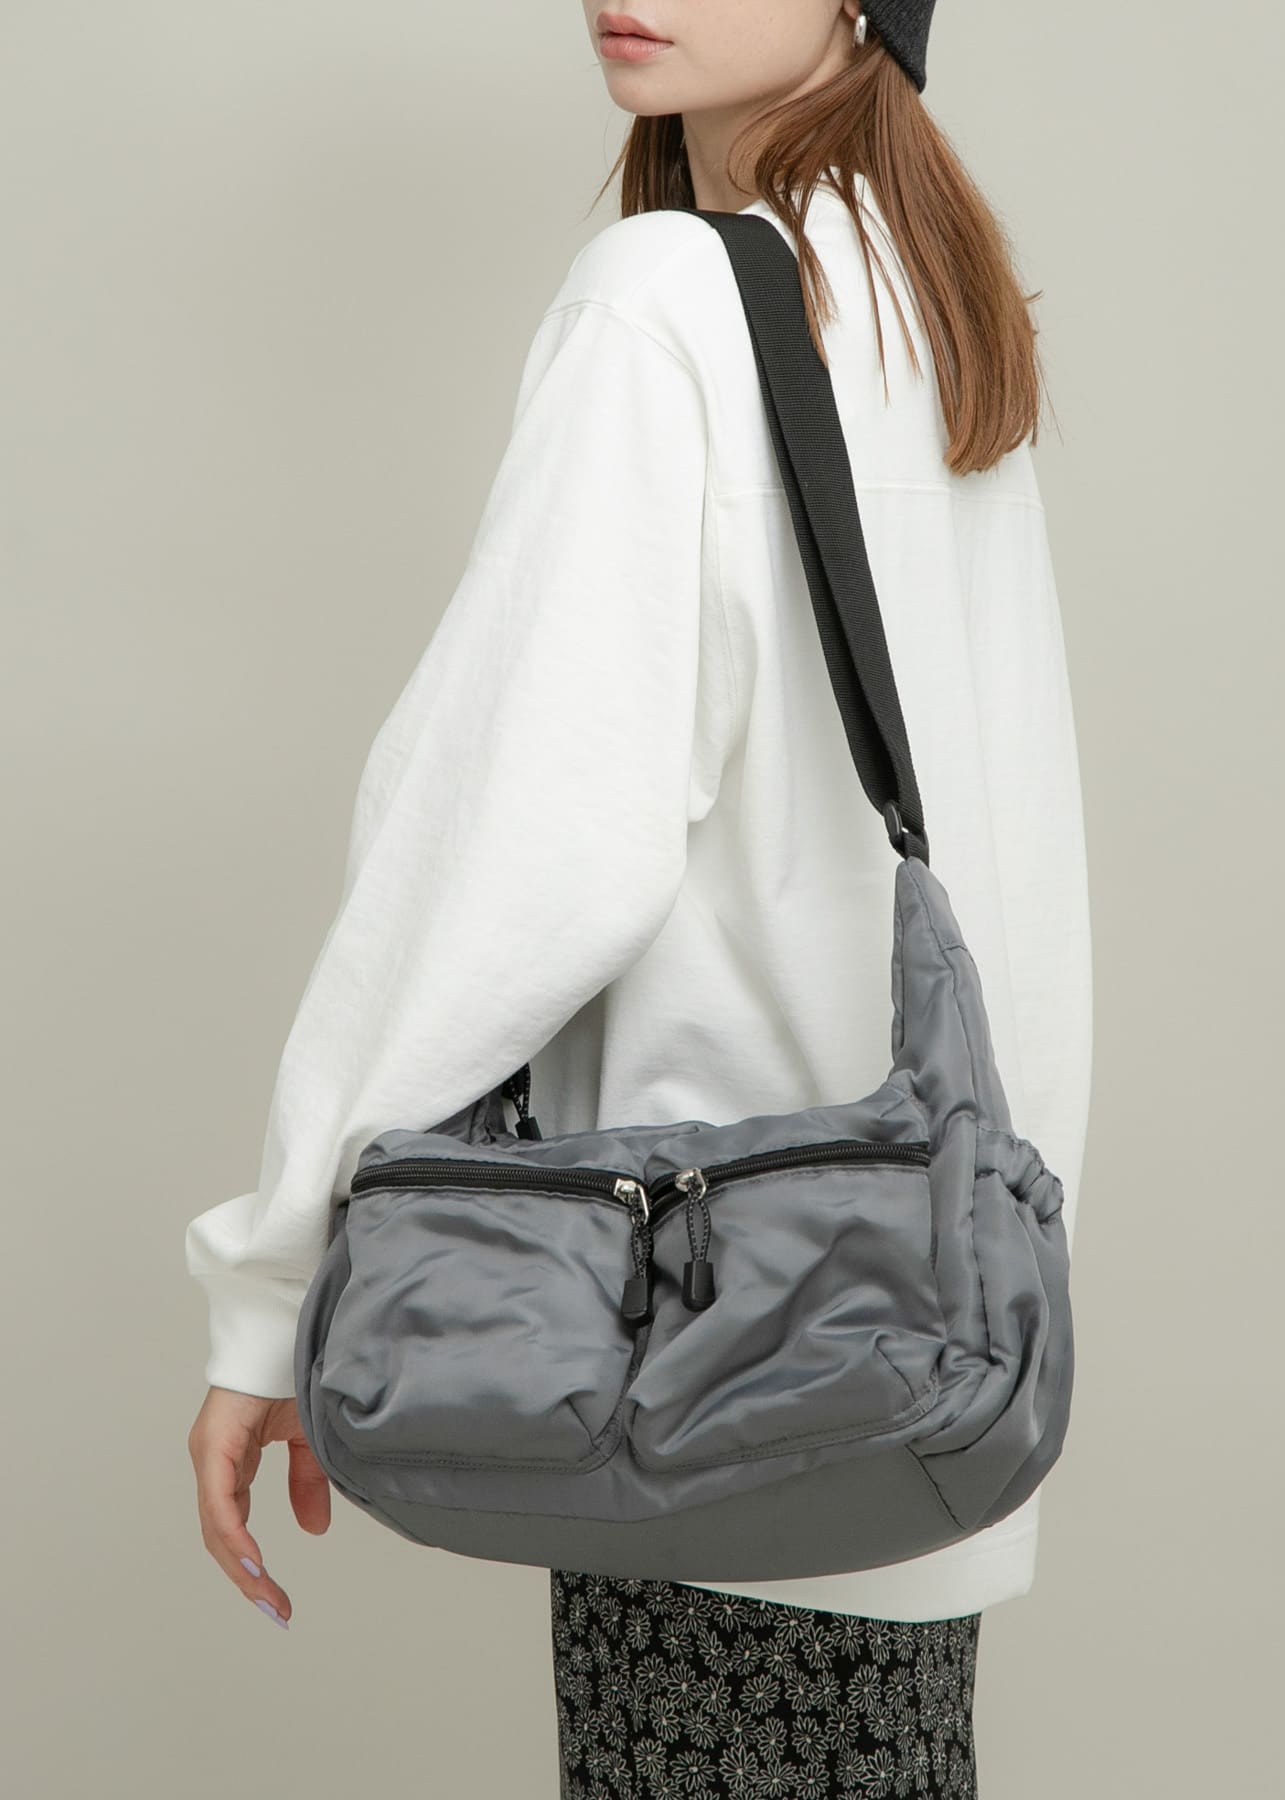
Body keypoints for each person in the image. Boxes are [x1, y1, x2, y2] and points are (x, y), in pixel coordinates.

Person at [185, 3, 1092, 1792]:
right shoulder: (926, 298)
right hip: (933, 1357)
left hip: (704, 1349)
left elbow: (507, 845)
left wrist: (277, 1275)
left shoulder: (670, 299)